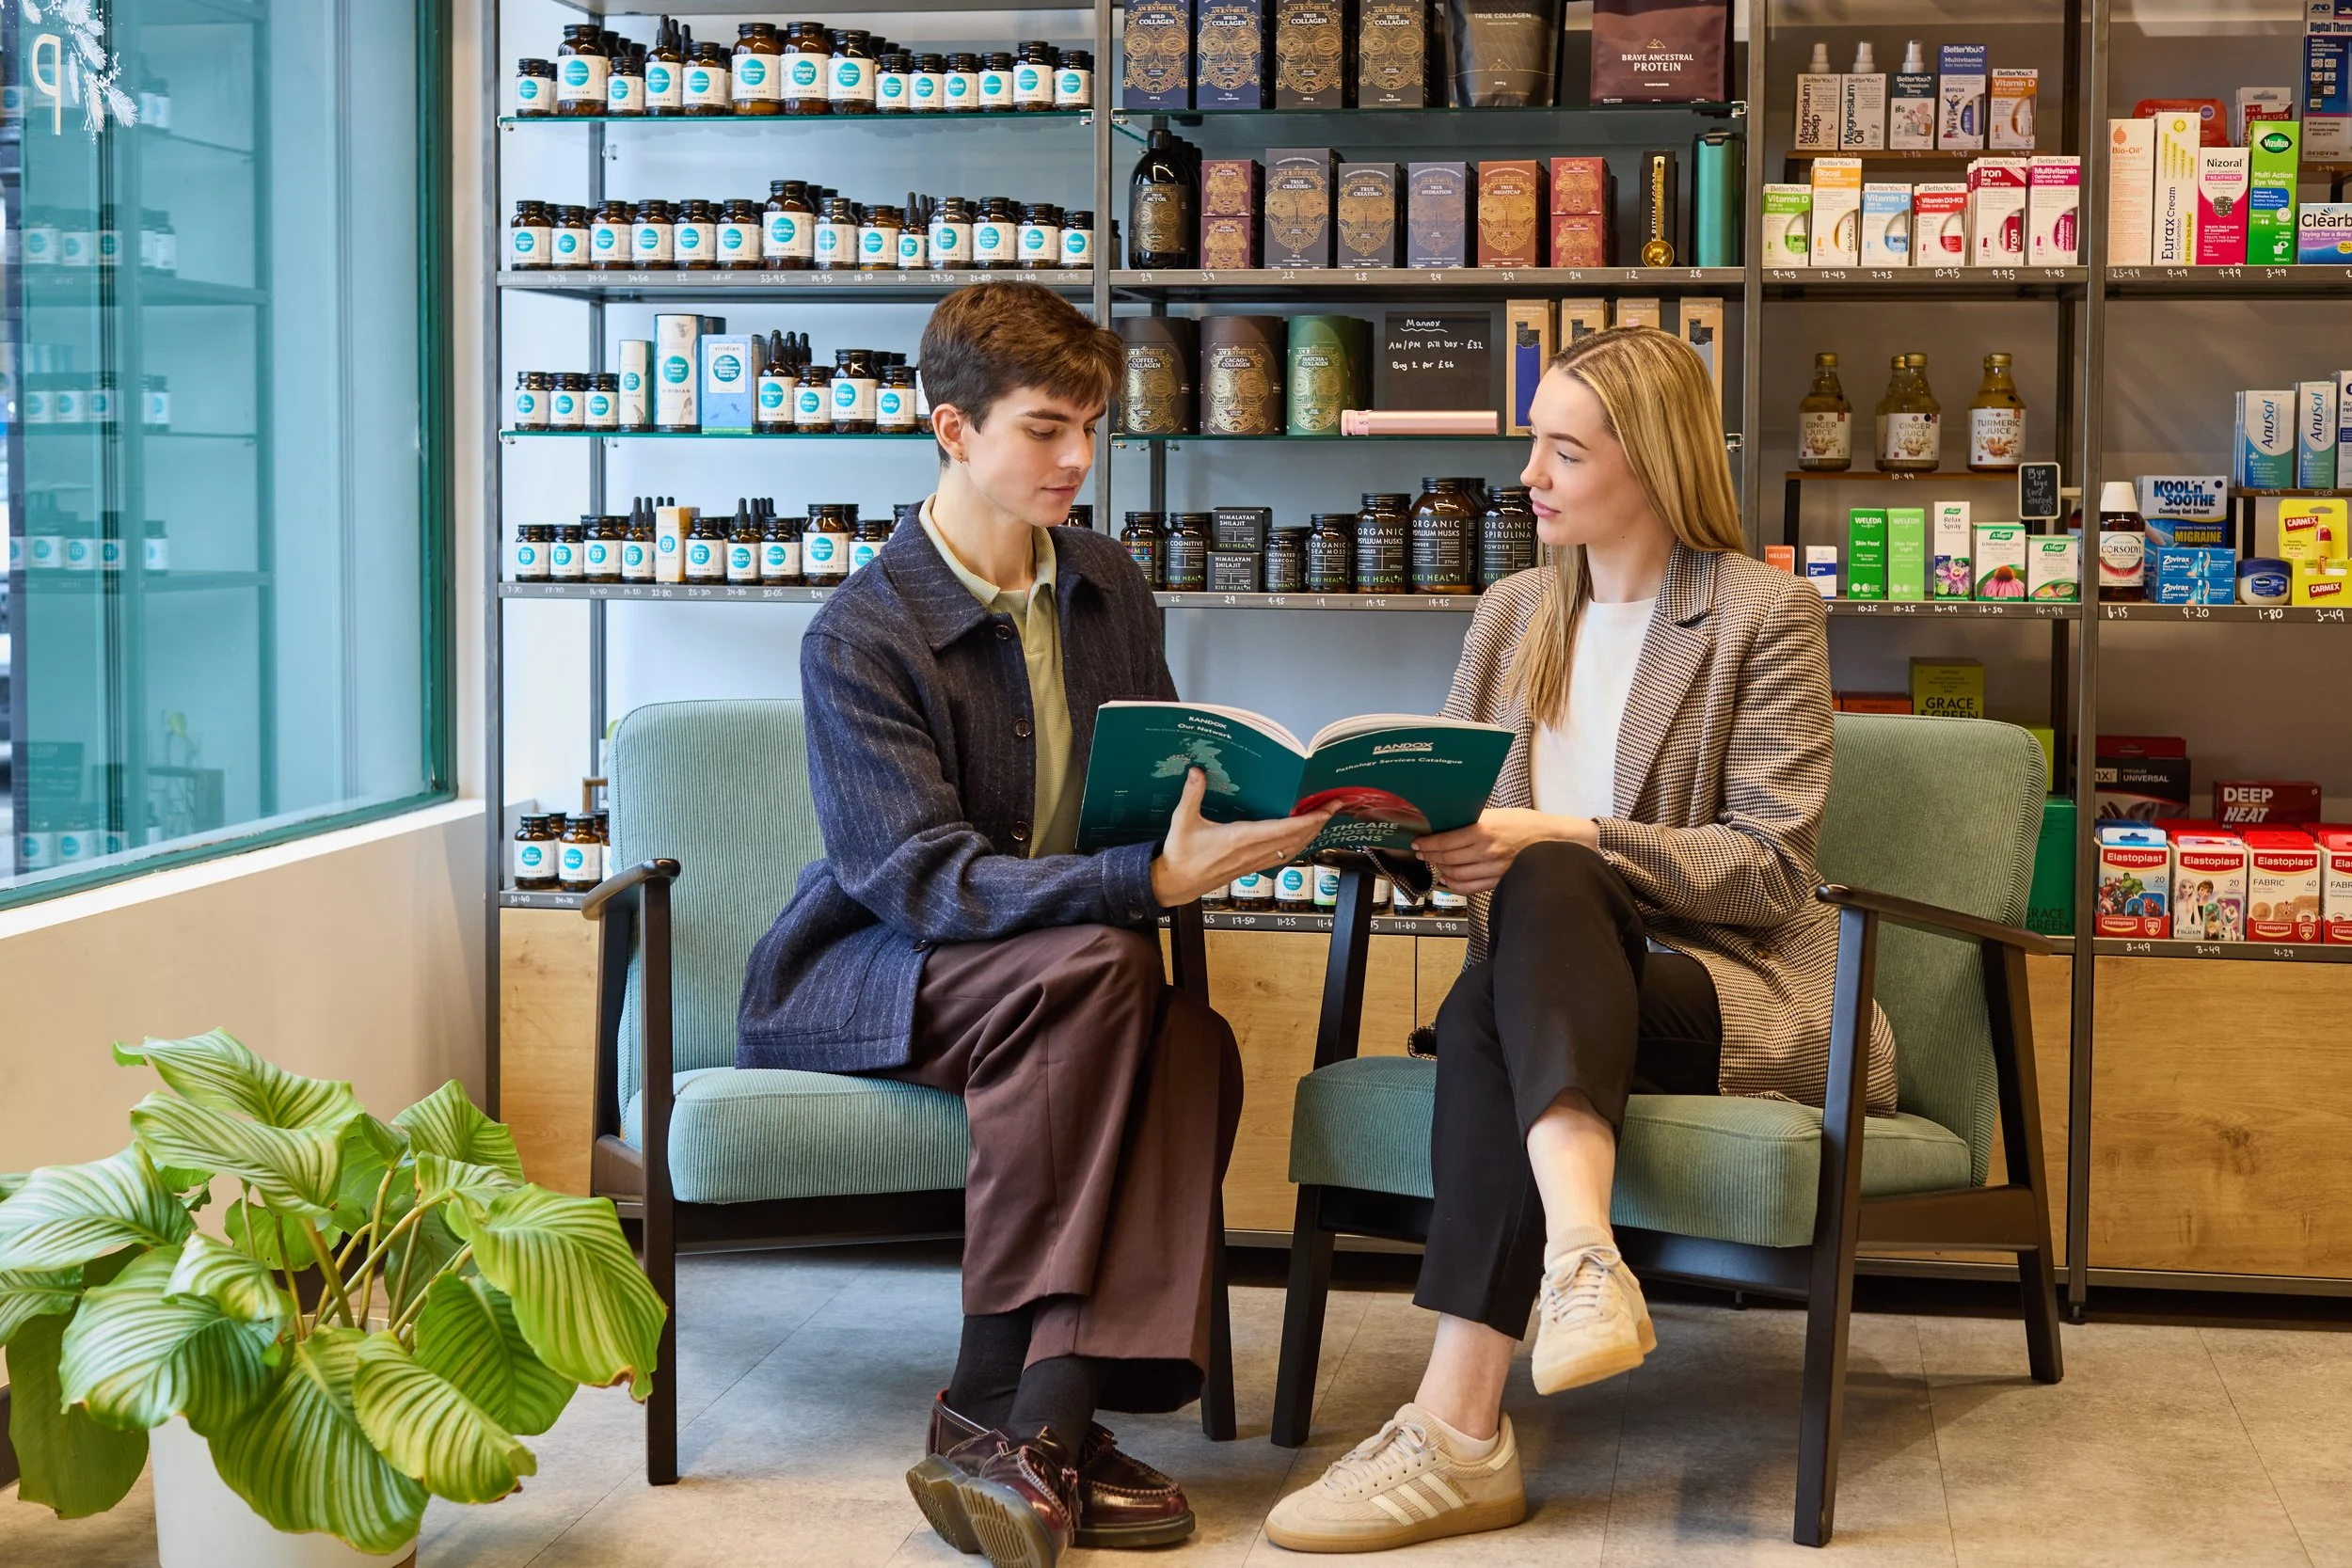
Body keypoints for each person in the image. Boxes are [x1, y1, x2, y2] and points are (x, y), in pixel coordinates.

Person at [1263, 326, 1898, 1554]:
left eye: (1563, 450)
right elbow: (1461, 809)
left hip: (1724, 987)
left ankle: (1459, 1428)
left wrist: (1569, 833)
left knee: (1533, 910)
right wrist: (1410, 833)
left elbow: (1771, 869)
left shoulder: (1761, 613)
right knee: (1504, 960)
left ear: (1650, 464)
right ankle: (1570, 1277)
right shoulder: (1513, 613)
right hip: (1547, 995)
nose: (1529, 477)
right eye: (1530, 447)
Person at [737, 281, 1332, 1568]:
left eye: (1094, 428)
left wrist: (1272, 812)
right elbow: (919, 881)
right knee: (1111, 966)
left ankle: (1020, 1431)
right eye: (1047, 429)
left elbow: (1172, 768)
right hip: (887, 970)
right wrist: (1140, 887)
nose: (1078, 460)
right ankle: (1031, 1406)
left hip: (1074, 974)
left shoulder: (1106, 580)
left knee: (1191, 1042)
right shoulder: (861, 631)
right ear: (950, 427)